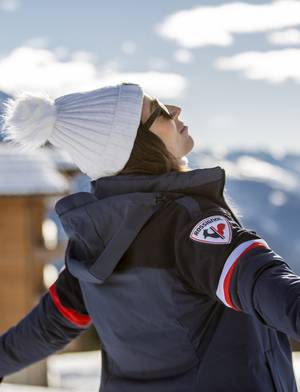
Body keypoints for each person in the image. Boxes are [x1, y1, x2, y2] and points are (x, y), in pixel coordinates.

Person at [0, 82, 299, 392]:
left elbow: (47, 327)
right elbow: (272, 289)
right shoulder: (189, 226)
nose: (176, 110)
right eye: (159, 111)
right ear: (135, 146)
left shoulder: (94, 243)